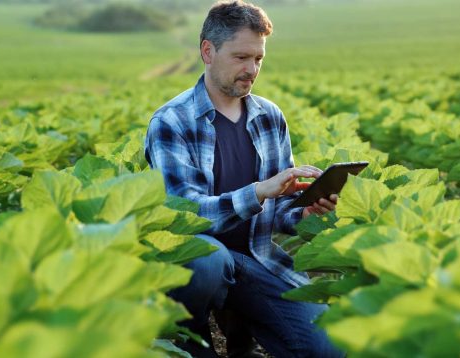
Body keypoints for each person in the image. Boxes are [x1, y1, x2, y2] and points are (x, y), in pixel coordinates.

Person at [144, 1, 344, 357]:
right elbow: (184, 213)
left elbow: (279, 210)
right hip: (197, 261)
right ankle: (190, 336)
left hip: (258, 258)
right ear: (208, 51)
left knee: (328, 350)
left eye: (258, 59)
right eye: (240, 58)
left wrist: (305, 210)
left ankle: (241, 324)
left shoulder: (269, 117)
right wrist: (257, 191)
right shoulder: (171, 122)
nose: (251, 69)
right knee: (209, 260)